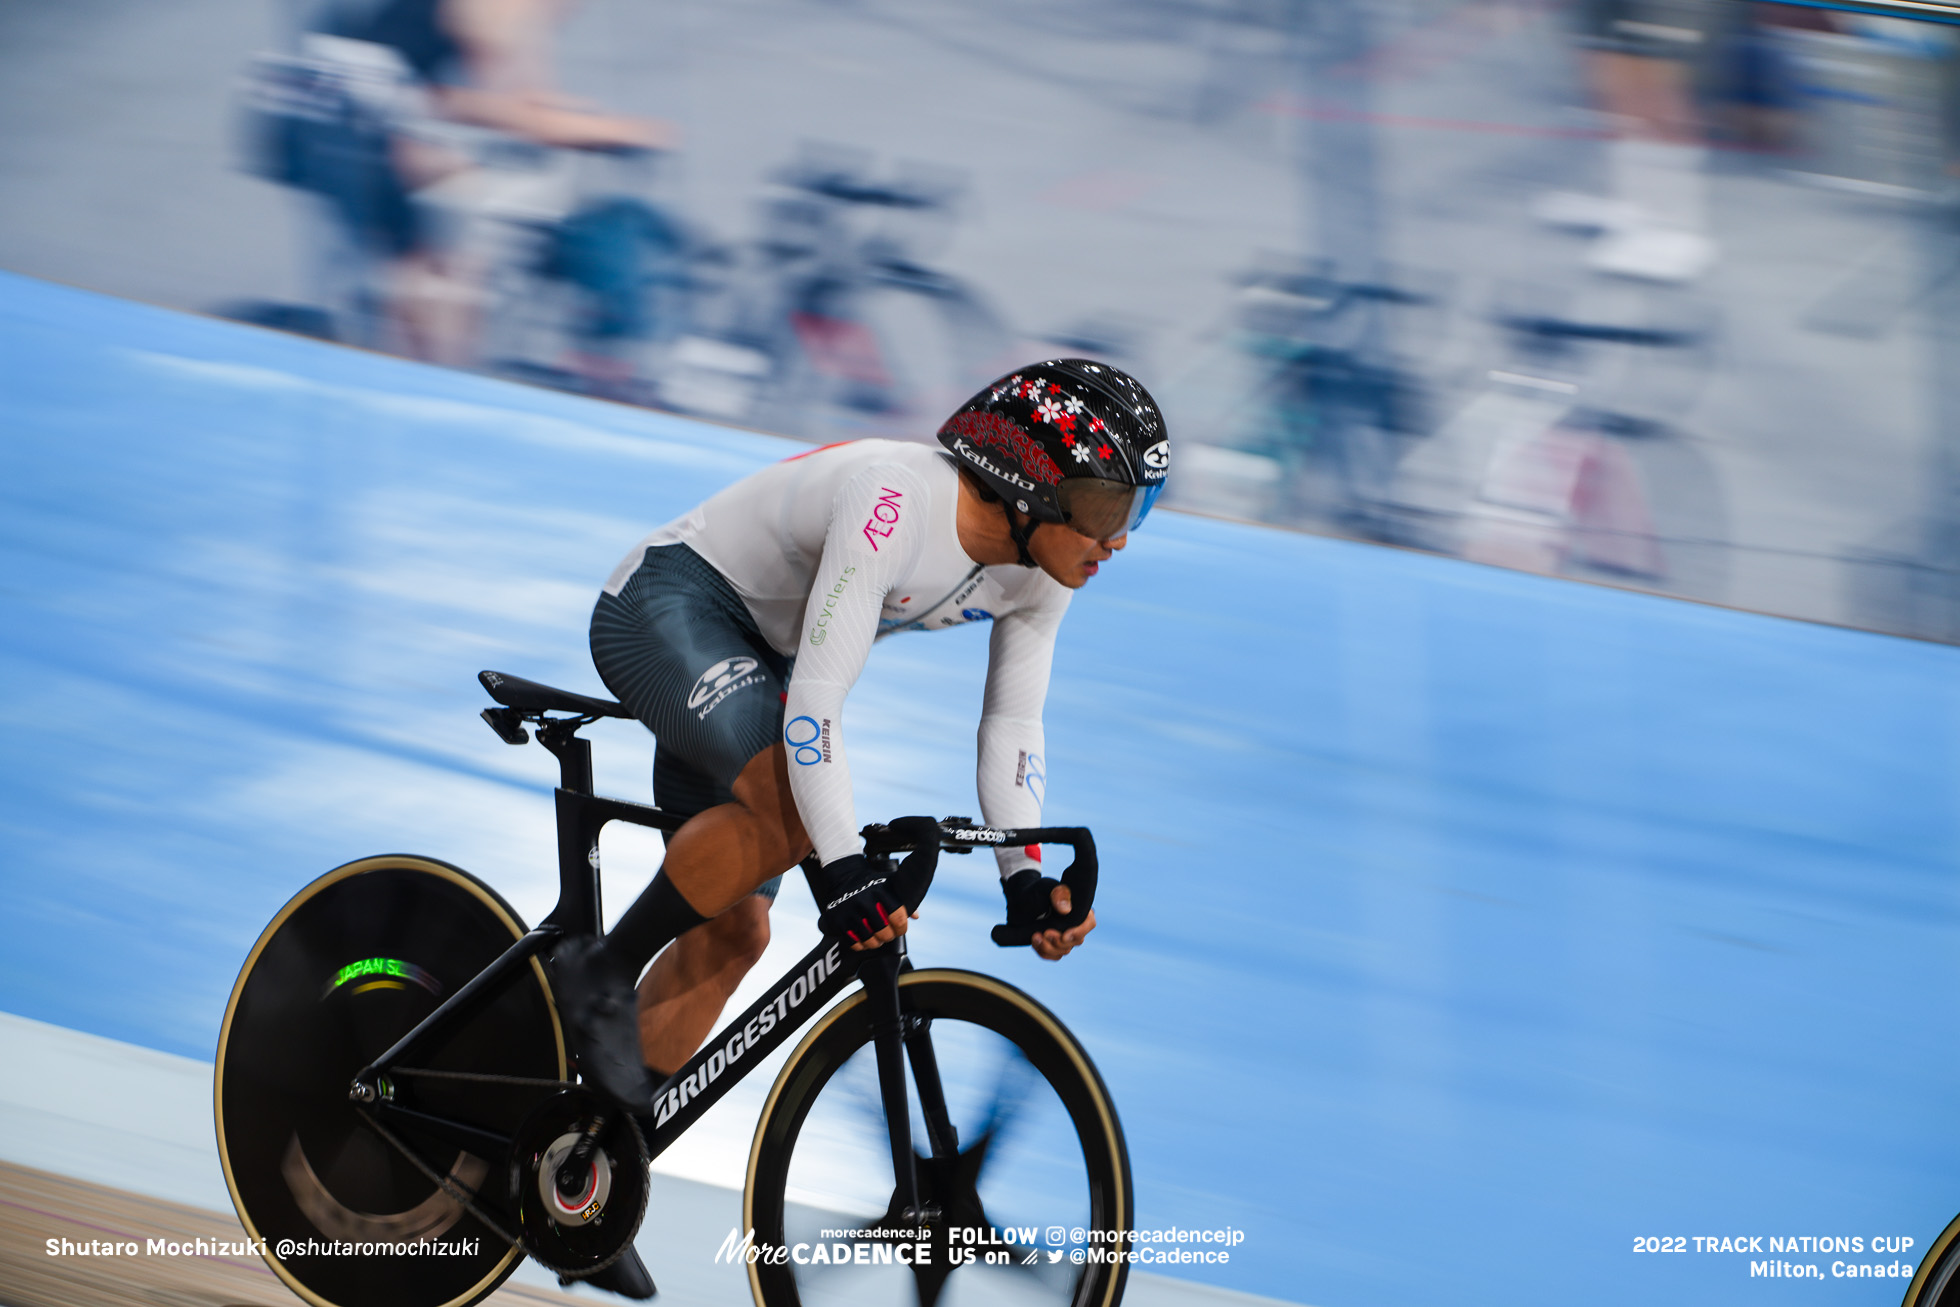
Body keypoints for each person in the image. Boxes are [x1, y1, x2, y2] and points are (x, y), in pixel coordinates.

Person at [560, 355, 1166, 1101]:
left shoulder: (1045, 572)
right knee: (796, 819)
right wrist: (844, 867)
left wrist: (1026, 876)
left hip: (762, 659)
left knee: (734, 935)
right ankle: (599, 968)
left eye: (1137, 512)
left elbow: (1012, 721)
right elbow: (818, 703)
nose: (1121, 541)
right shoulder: (897, 500)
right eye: (1107, 512)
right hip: (671, 604)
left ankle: (582, 1154)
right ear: (1032, 482)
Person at [300, 0, 669, 362]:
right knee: (440, 261)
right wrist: (614, 130)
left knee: (449, 247)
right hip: (347, 125)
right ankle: (429, 372)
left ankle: (426, 365)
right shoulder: (497, 7)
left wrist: (585, 120)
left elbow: (523, 100)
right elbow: (516, 114)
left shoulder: (528, 16)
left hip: (377, 121)